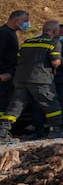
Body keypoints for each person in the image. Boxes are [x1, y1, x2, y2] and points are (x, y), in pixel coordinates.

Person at [2, 19, 63, 140]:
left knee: (16, 106)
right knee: (51, 105)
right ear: (55, 31)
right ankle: (55, 131)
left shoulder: (28, 41)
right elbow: (55, 62)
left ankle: (2, 132)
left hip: (21, 78)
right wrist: (59, 62)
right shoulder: (54, 42)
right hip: (41, 79)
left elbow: (19, 58)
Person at [0, 10, 26, 140]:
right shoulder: (4, 33)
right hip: (4, 75)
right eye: (25, 21)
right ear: (17, 20)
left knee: (5, 103)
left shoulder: (11, 34)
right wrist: (3, 73)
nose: (27, 25)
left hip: (9, 74)